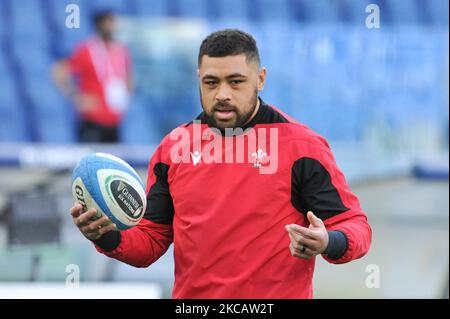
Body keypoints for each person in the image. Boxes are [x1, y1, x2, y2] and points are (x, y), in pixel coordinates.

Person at [70, 29, 372, 298]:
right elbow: (150, 241)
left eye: (236, 82)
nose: (222, 94)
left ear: (261, 79)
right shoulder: (173, 149)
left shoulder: (301, 147)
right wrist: (106, 235)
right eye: (211, 82)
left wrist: (328, 240)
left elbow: (356, 227)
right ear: (199, 79)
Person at [53, 10, 132, 143]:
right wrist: (76, 97)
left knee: (113, 161)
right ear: (100, 24)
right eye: (110, 22)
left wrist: (126, 93)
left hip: (114, 120)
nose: (114, 26)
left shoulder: (121, 50)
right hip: (92, 119)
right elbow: (58, 72)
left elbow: (128, 76)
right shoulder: (86, 50)